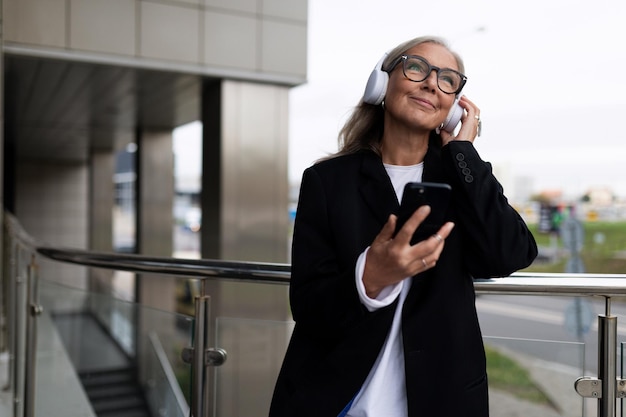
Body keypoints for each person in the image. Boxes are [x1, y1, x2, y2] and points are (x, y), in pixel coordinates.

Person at [269, 35, 538, 417]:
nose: (432, 83)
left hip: (439, 400)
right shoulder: (327, 181)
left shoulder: (462, 179)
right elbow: (308, 307)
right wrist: (369, 277)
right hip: (338, 399)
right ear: (382, 82)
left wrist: (462, 151)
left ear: (453, 106)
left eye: (448, 79)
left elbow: (510, 253)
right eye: (417, 68)